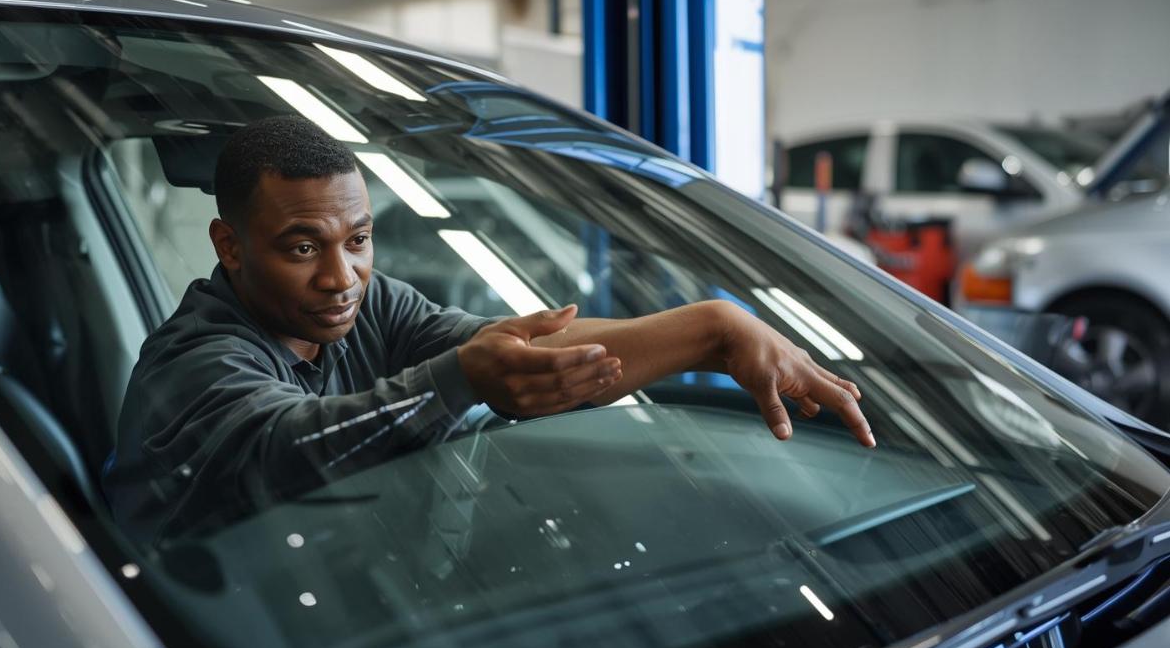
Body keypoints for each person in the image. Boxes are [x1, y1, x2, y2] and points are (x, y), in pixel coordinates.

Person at [104, 115, 873, 546]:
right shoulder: (194, 364)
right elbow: (290, 450)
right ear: (231, 246)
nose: (341, 277)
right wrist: (457, 379)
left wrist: (714, 328)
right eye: (303, 248)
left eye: (358, 239)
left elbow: (518, 353)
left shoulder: (367, 308)